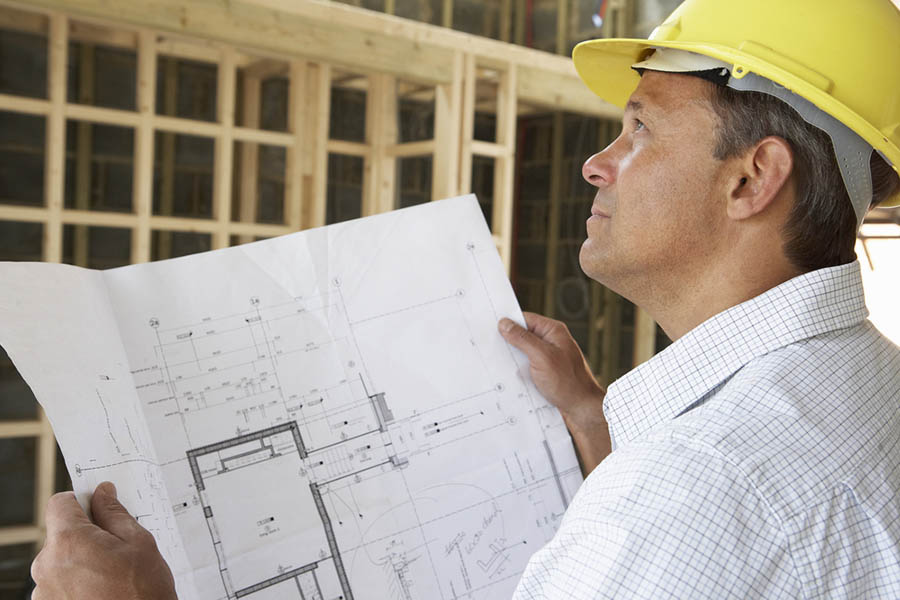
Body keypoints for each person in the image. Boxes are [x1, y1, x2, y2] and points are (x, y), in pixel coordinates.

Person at [30, 0, 900, 598]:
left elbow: (706, 521)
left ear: (752, 178)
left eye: (640, 128)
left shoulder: (691, 493)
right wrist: (595, 423)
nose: (599, 162)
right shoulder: (863, 382)